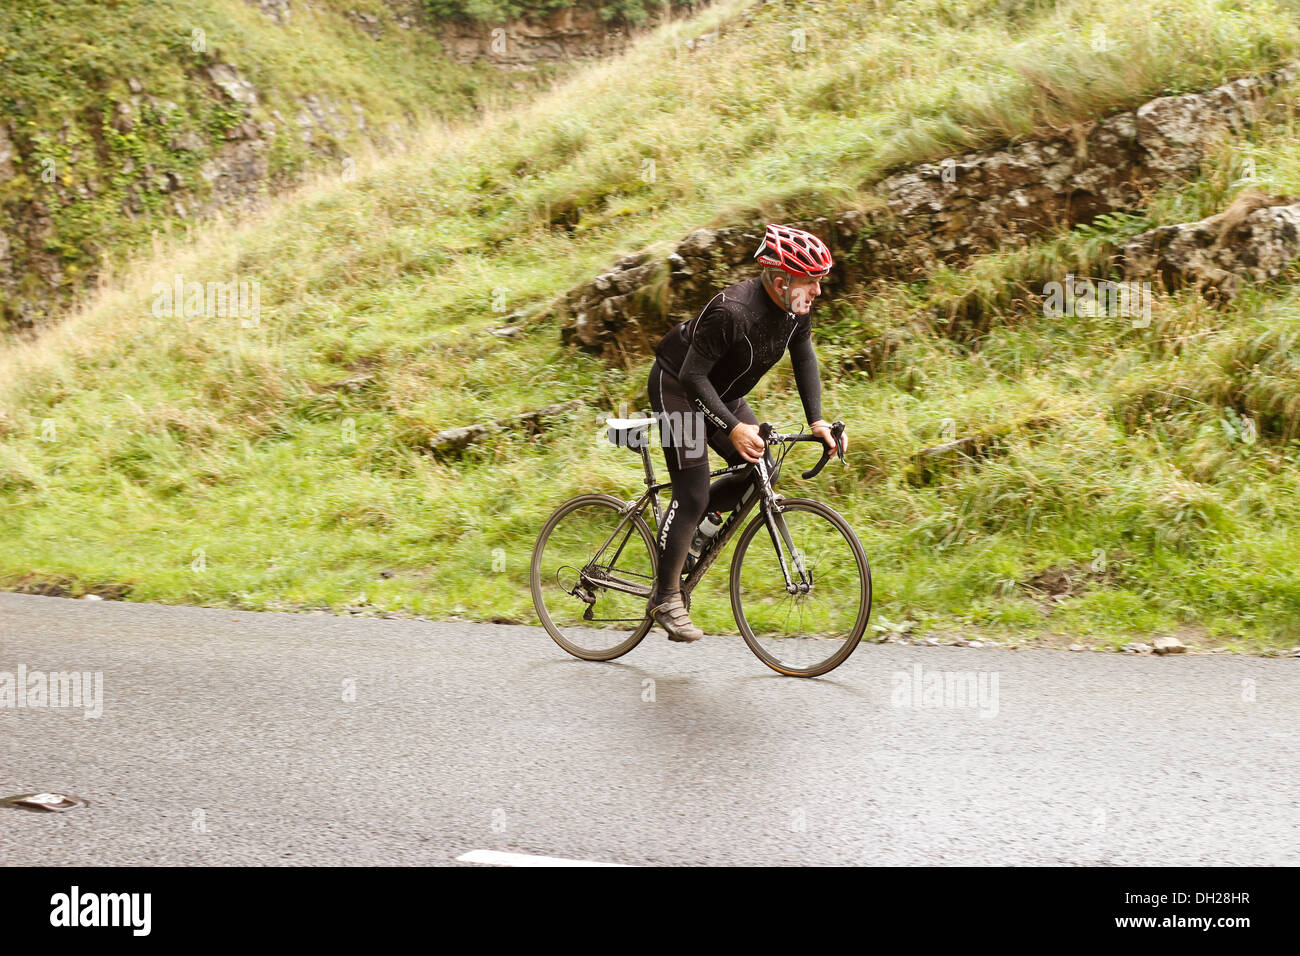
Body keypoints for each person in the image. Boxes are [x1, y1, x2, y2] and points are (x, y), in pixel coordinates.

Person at [646, 224, 849, 642]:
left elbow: (803, 355)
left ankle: (693, 535)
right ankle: (665, 598)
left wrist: (817, 421)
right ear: (780, 281)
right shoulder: (732, 311)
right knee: (695, 492)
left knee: (762, 469)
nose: (818, 292)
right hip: (679, 386)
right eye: (811, 283)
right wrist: (734, 428)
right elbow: (692, 376)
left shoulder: (793, 311)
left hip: (723, 392)